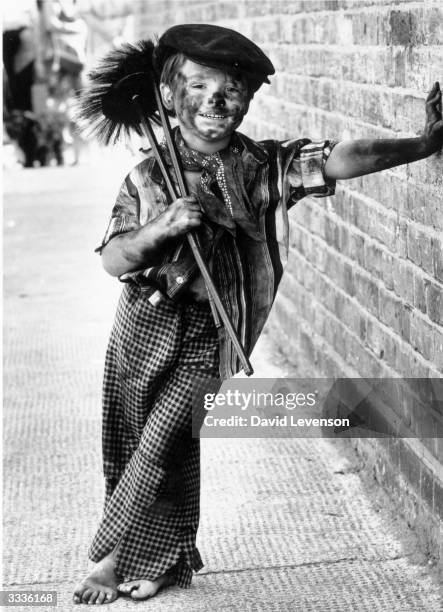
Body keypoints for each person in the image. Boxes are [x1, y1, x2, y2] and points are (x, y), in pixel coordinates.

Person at [73, 24, 443, 606]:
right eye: (198, 85)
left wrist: (422, 144)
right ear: (169, 97)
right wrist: (162, 226)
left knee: (162, 439)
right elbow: (114, 260)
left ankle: (108, 557)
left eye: (231, 88)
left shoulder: (263, 169)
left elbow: (342, 158)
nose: (216, 100)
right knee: (131, 437)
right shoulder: (148, 177)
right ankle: (167, 559)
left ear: (248, 99)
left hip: (209, 334)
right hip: (142, 324)